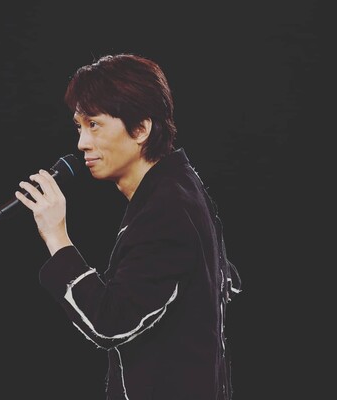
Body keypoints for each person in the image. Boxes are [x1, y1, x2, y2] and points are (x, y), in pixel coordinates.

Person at [15, 53, 242, 400]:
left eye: (94, 124)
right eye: (79, 126)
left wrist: (56, 235)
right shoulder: (180, 186)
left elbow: (110, 324)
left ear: (140, 129)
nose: (82, 143)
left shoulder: (166, 210)